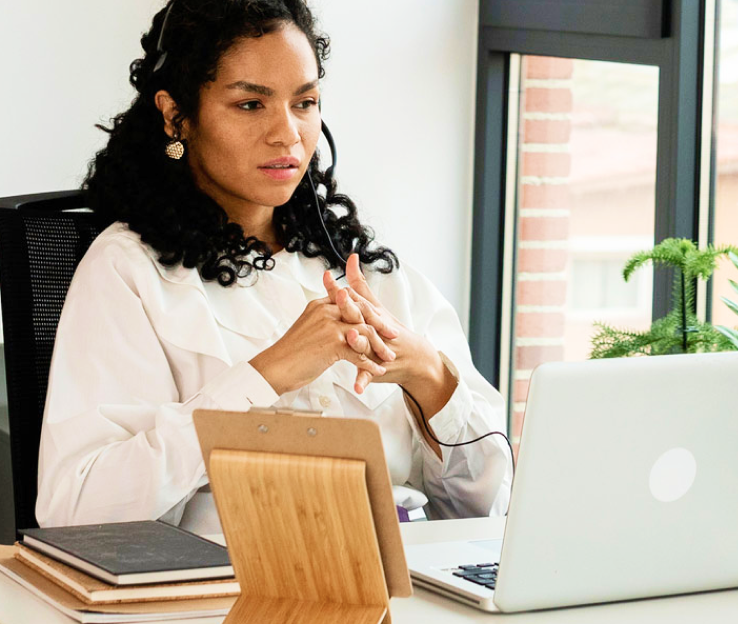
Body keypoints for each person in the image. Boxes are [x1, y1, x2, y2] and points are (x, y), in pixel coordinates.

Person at [36, 0, 511, 534]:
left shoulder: (372, 274)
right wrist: (267, 376)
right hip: (228, 599)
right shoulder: (129, 271)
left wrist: (428, 375)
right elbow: (76, 510)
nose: (288, 135)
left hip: (396, 590)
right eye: (249, 105)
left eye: (304, 102)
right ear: (176, 115)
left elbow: (490, 513)